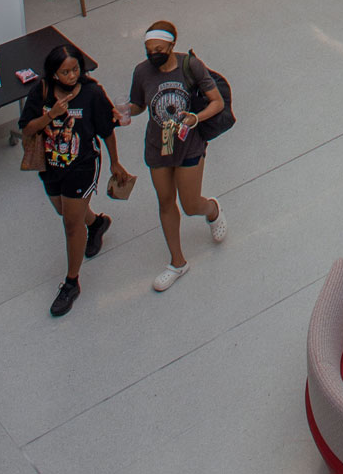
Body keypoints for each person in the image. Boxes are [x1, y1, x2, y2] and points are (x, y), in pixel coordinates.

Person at [18, 43, 125, 318]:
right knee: (63, 211)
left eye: (75, 69)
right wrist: (50, 115)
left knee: (70, 224)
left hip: (82, 166)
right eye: (65, 72)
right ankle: (98, 223)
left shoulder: (92, 94)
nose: (71, 76)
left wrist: (114, 161)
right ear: (53, 74)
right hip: (51, 166)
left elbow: (107, 130)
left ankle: (71, 282)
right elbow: (26, 129)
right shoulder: (40, 92)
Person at [125, 21, 227, 291]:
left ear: (172, 45)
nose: (153, 55)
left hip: (188, 144)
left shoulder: (190, 66)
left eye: (159, 49)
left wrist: (196, 118)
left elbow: (217, 102)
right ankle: (177, 262)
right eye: (149, 51)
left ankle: (212, 209)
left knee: (191, 204)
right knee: (166, 201)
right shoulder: (141, 72)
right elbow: (138, 105)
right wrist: (125, 111)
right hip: (158, 147)